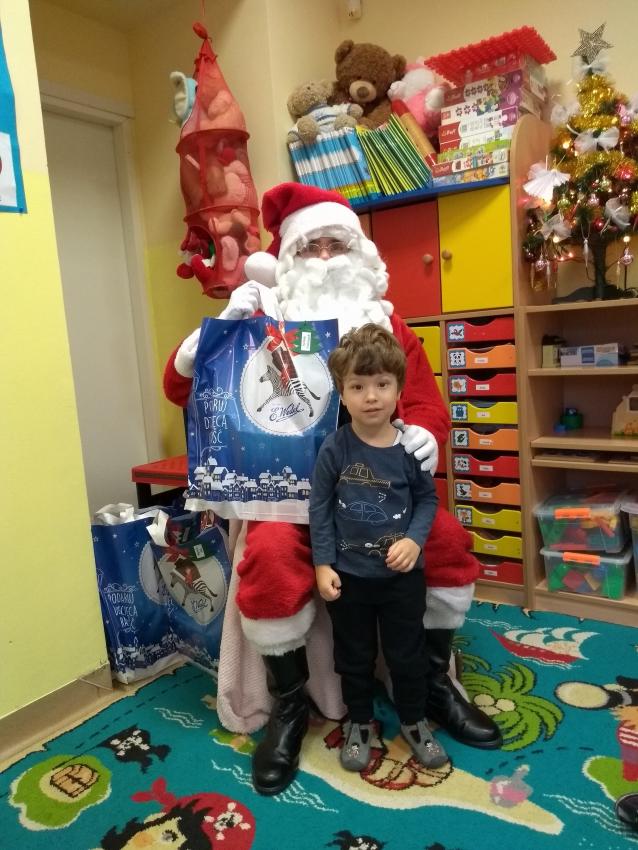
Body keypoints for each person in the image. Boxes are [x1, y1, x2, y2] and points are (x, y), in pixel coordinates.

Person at [163, 182, 502, 796]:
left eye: (335, 245)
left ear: (359, 253)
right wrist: (209, 339)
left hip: (386, 500)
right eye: (309, 247)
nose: (323, 258)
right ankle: (290, 707)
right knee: (268, 558)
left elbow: (426, 401)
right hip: (292, 501)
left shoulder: (387, 325)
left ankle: (431, 685)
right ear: (287, 260)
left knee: (449, 541)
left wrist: (425, 434)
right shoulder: (261, 322)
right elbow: (181, 390)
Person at [310, 323, 447, 772]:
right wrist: (323, 563)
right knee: (353, 658)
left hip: (402, 581)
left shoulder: (410, 448)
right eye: (358, 386)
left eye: (382, 384)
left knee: (408, 655)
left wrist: (414, 540)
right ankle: (359, 722)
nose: (371, 396)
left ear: (399, 390)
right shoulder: (334, 449)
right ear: (342, 394)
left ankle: (414, 720)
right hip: (349, 579)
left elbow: (428, 500)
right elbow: (319, 507)